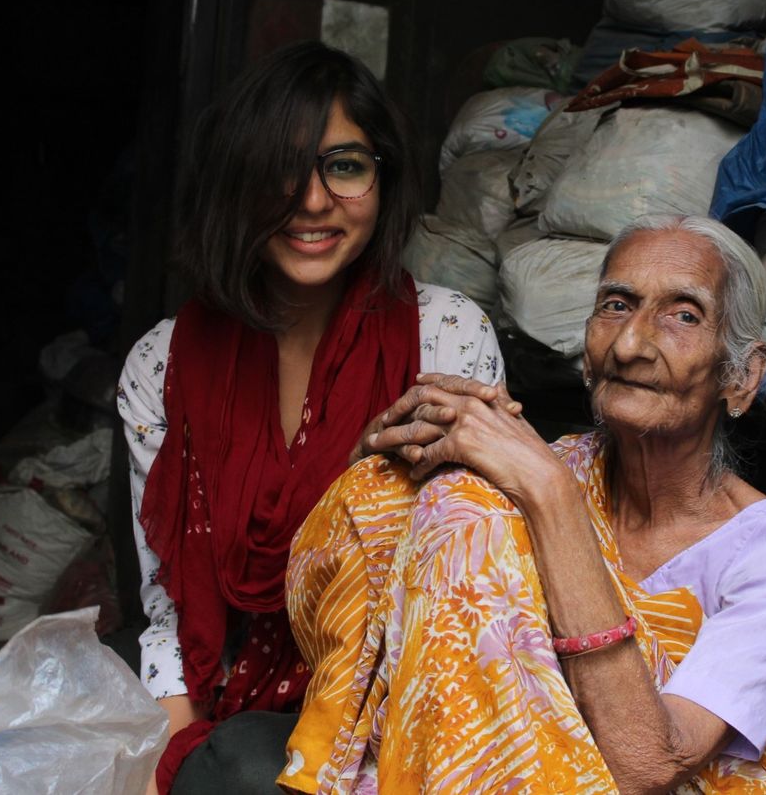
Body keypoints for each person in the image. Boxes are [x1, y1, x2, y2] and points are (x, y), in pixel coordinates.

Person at [281, 215, 766, 793]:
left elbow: (651, 763)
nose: (629, 344)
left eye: (683, 315)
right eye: (616, 305)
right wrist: (376, 469)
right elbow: (351, 584)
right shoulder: (526, 476)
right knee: (439, 495)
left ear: (742, 376)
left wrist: (552, 499)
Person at [116, 41, 504, 795]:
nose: (314, 200)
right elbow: (170, 618)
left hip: (411, 718)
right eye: (280, 168)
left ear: (384, 178)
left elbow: (469, 601)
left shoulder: (447, 337)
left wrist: (367, 486)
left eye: (345, 166)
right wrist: (175, 770)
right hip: (236, 729)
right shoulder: (163, 365)